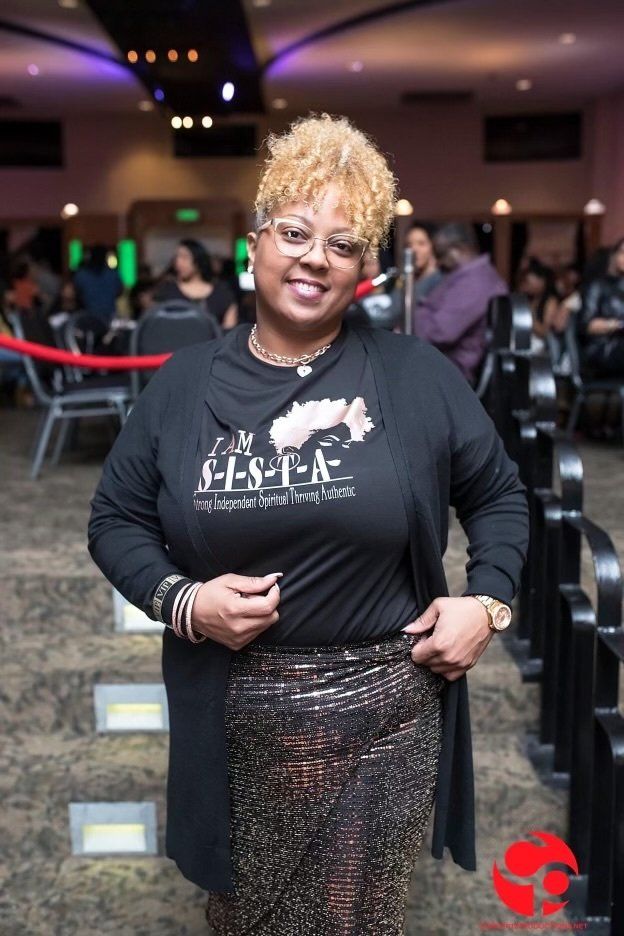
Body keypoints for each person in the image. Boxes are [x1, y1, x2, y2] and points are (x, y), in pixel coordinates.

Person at [88, 114, 529, 935]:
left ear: (364, 268)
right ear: (255, 242)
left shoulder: (414, 376)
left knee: (356, 918)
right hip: (236, 712)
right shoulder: (182, 385)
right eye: (294, 232)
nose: (314, 258)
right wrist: (184, 601)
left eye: (342, 243)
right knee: (247, 916)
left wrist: (487, 602)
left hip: (388, 710)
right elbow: (115, 518)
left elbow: (499, 494)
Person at [413, 222, 507, 385]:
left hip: (450, 375)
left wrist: (416, 314)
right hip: (439, 366)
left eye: (441, 254)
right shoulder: (465, 277)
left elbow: (439, 332)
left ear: (460, 249)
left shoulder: (476, 281)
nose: (438, 262)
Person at [152, 239, 238, 329]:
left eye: (184, 257)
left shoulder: (221, 293)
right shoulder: (167, 291)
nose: (178, 263)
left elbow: (229, 330)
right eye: (176, 258)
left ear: (198, 260)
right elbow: (155, 324)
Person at [577, 236, 624, 376]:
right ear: (614, 255)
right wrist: (618, 325)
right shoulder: (597, 286)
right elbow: (586, 325)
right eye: (622, 252)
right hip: (603, 347)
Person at [73, 245, 123, 325]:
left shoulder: (81, 275)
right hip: (102, 316)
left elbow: (77, 294)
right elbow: (119, 292)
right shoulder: (113, 274)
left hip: (94, 316)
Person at [406, 220, 441, 300]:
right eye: (409, 244)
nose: (414, 249)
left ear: (434, 246)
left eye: (421, 243)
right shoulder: (406, 280)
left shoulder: (441, 280)